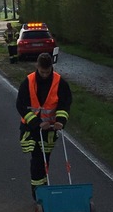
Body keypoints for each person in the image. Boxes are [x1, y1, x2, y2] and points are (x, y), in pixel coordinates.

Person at [16, 52, 72, 200]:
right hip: (31, 129)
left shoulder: (60, 83)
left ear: (51, 68)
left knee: (45, 160)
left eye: (48, 72)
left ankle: (44, 188)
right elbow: (21, 106)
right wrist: (37, 123)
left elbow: (64, 104)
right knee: (37, 160)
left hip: (50, 130)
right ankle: (38, 193)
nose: (45, 75)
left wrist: (60, 121)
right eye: (42, 72)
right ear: (37, 67)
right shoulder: (28, 82)